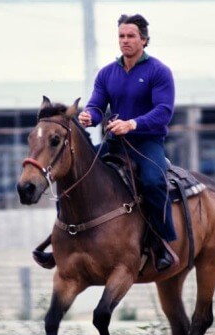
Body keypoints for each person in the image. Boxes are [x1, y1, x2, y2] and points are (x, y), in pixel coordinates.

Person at [78, 13, 177, 271]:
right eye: (121, 36)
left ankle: (162, 243)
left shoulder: (158, 71)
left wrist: (132, 124)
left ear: (143, 40)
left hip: (146, 144)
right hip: (115, 144)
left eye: (131, 36)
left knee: (154, 182)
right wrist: (90, 116)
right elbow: (97, 105)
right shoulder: (107, 73)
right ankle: (63, 240)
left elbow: (164, 111)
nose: (125, 41)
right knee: (74, 173)